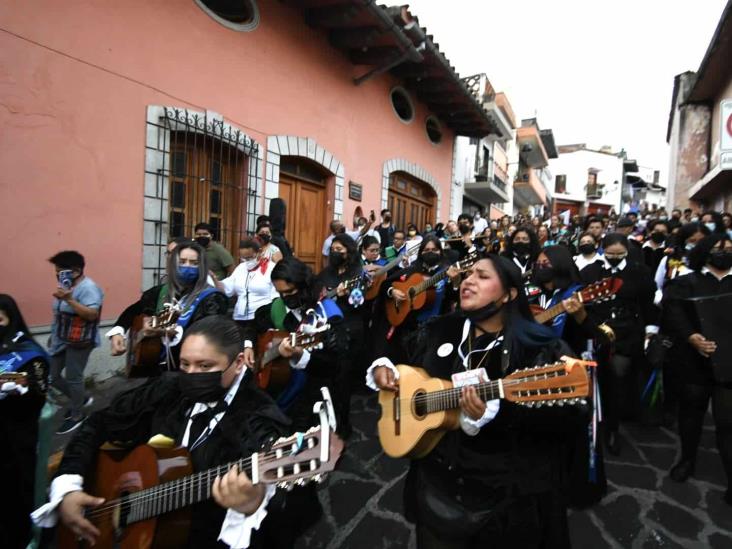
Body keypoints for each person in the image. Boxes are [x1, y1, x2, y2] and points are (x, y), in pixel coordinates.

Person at [368, 253, 585, 548]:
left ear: (509, 294)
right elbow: (405, 364)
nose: (468, 280)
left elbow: (569, 421)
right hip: (435, 487)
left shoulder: (539, 348)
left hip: (502, 501)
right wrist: (386, 369)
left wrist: (500, 414)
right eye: (469, 274)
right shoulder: (440, 330)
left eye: (483, 276)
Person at [32, 316, 305, 547]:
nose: (191, 374)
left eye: (205, 366)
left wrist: (254, 505)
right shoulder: (169, 388)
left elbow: (291, 518)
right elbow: (100, 423)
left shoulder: (259, 420)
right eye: (185, 364)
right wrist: (67, 486)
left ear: (237, 364)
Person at [662, 234, 732, 505]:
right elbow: (672, 312)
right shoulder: (685, 282)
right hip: (693, 362)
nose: (722, 252)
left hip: (728, 364)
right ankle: (687, 459)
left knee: (727, 423)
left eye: (727, 249)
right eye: (716, 248)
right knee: (691, 415)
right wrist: (691, 336)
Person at [580, 234, 659, 455]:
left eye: (620, 254)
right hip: (594, 330)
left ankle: (612, 428)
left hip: (626, 334)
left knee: (617, 379)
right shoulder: (590, 272)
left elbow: (648, 304)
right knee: (593, 381)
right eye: (610, 254)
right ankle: (592, 422)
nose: (614, 258)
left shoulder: (639, 272)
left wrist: (651, 330)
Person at [108, 241, 228, 372]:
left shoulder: (213, 298)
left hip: (190, 371)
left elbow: (209, 336)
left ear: (203, 267)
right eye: (182, 261)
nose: (187, 266)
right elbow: (133, 311)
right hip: (157, 367)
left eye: (194, 263)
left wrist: (171, 332)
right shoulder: (160, 292)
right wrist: (118, 331)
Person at [0, 295, 50, 549]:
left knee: (15, 498)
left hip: (15, 438)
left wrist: (18, 392)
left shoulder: (29, 353)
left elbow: (39, 393)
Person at [48, 251, 104, 434]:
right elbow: (59, 313)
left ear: (76, 270)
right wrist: (53, 335)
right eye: (56, 272)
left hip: (80, 340)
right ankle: (80, 398)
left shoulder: (88, 288)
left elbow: (92, 314)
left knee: (74, 377)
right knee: (52, 376)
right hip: (61, 337)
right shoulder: (66, 286)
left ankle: (77, 415)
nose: (58, 275)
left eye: (61, 271)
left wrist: (70, 300)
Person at [214, 238, 278, 338]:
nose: (247, 261)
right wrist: (214, 281)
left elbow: (276, 297)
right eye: (244, 258)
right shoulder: (240, 268)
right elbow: (228, 288)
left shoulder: (271, 269)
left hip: (260, 320)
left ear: (260, 252)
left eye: (250, 257)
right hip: (239, 318)